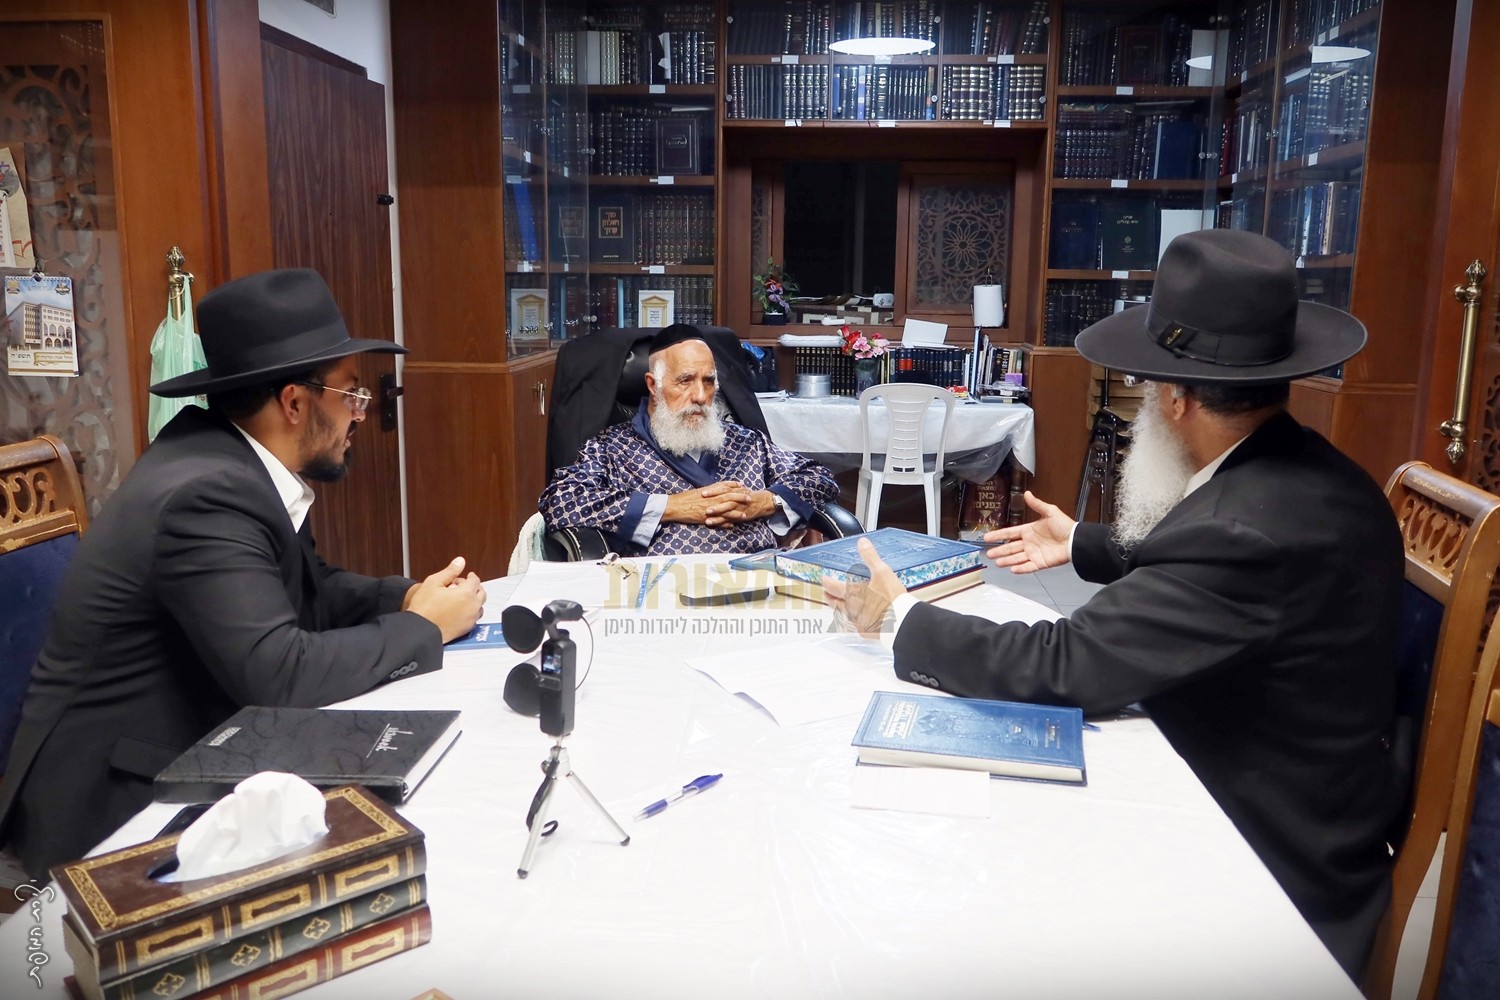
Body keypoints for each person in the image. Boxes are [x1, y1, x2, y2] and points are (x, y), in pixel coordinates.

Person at [825, 229, 1406, 978]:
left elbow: (1067, 666)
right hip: (1300, 788)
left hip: (1264, 863)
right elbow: (1208, 570)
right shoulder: (1299, 472)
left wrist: (899, 613)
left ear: (1176, 397)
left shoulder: (1242, 531)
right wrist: (1083, 543)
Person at [0, 268, 486, 878]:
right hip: (115, 805)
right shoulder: (206, 492)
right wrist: (424, 629)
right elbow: (278, 674)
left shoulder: (232, 459)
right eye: (351, 395)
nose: (361, 415)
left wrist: (409, 596)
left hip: (199, 746)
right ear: (294, 403)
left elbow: (310, 587)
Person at [540, 324, 839, 555]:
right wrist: (671, 507)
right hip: (663, 592)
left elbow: (820, 478)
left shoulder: (747, 443)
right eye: (685, 380)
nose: (699, 396)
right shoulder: (612, 448)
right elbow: (560, 501)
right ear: (653, 385)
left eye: (708, 382)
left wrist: (763, 502)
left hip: (759, 582)